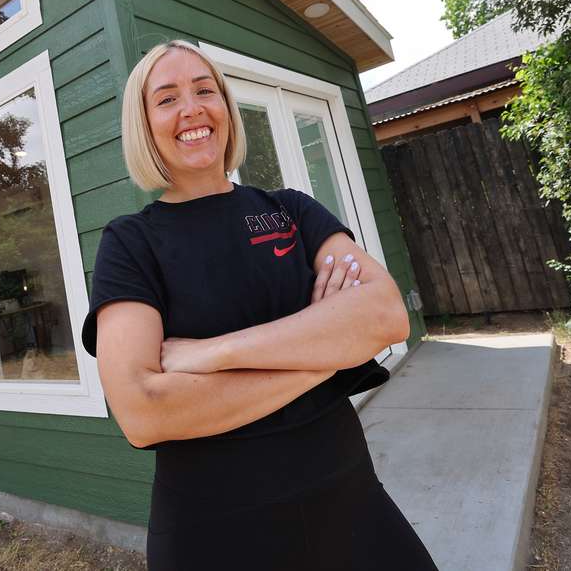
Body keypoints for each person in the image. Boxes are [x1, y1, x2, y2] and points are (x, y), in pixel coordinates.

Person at [80, 40, 439, 570]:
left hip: (350, 501)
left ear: (226, 107)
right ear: (144, 124)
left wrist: (211, 354)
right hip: (216, 532)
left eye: (205, 90)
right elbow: (142, 412)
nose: (192, 108)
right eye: (167, 98)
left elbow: (385, 315)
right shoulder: (132, 242)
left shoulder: (290, 211)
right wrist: (336, 354)